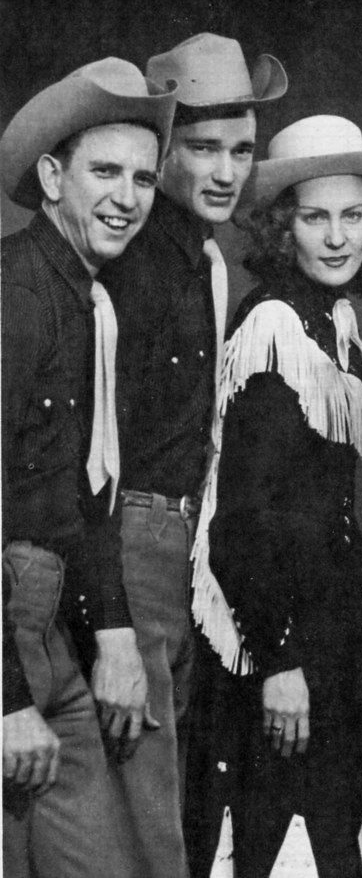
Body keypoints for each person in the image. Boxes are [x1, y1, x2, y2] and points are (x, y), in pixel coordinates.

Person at [186, 114, 362, 877]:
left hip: (329, 629)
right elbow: (242, 521)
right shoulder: (275, 324)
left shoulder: (331, 322)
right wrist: (278, 660)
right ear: (284, 227)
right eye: (315, 218)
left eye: (352, 216)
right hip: (280, 638)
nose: (337, 236)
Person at [96, 33, 287, 878]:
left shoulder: (207, 263)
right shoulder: (123, 258)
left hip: (188, 549)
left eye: (242, 150)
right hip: (129, 540)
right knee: (137, 807)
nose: (225, 172)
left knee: (172, 801)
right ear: (163, 149)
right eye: (203, 149)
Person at [1, 57, 175, 877]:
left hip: (58, 630)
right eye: (104, 171)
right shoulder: (15, 294)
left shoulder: (89, 300)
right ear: (50, 176)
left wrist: (114, 636)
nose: (127, 197)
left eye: (143, 177)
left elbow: (87, 494)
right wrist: (2, 699)